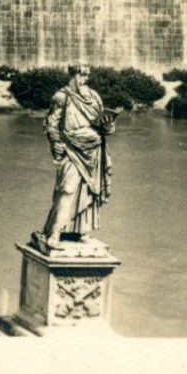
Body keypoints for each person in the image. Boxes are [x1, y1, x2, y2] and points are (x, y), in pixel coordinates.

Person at [34, 66, 115, 253]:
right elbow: (51, 124)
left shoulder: (94, 97)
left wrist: (109, 126)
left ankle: (81, 231)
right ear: (72, 75)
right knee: (67, 189)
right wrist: (56, 142)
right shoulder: (62, 97)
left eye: (86, 75)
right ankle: (52, 233)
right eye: (80, 74)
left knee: (89, 191)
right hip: (71, 150)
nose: (84, 78)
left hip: (93, 152)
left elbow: (105, 126)